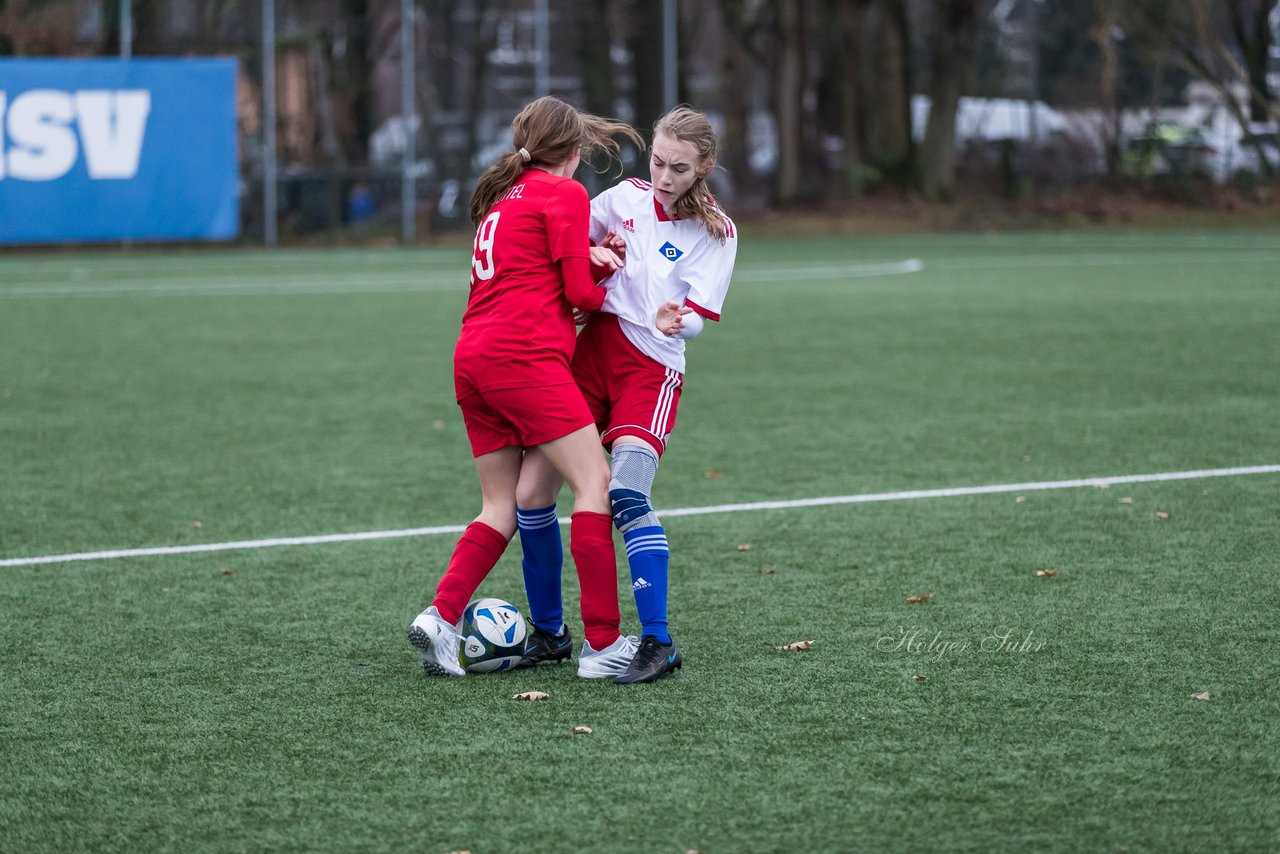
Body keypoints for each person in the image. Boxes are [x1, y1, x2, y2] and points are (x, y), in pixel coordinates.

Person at [406, 96, 645, 679]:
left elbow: (536, 273)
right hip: (525, 360)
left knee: (500, 506)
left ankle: (440, 618)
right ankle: (604, 644)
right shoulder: (564, 193)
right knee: (596, 481)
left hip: (473, 360)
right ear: (577, 150)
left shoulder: (499, 200)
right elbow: (580, 297)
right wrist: (608, 271)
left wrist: (588, 258)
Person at [514, 105, 738, 685]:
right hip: (592, 357)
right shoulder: (618, 199)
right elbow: (566, 248)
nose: (664, 176)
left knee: (628, 497)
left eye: (679, 168)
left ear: (704, 167)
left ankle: (658, 641)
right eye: (658, 162)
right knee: (531, 492)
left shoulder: (717, 231)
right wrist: (591, 256)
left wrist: (676, 321)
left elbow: (696, 320)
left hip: (651, 371)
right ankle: (548, 633)